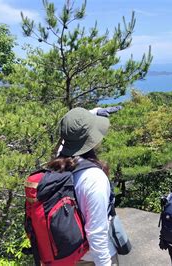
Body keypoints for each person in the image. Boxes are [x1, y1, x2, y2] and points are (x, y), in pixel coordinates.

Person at [47, 107, 117, 266]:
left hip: (67, 254)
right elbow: (96, 234)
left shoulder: (57, 165)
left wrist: (91, 114)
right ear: (90, 139)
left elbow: (66, 138)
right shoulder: (93, 178)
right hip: (92, 258)